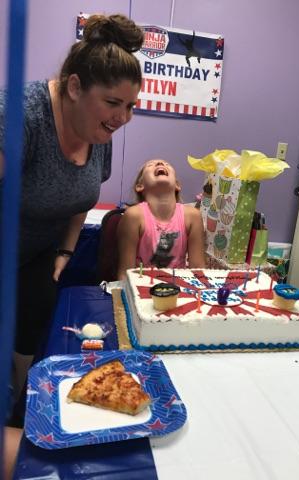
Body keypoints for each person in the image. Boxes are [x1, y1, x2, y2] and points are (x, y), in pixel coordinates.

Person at [0, 13, 144, 409]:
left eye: (131, 105)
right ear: (75, 87)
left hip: (37, 252)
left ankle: (19, 402)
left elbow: (83, 195)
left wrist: (65, 250)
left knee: (31, 328)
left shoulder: (101, 130)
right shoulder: (20, 116)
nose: (123, 117)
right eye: (114, 102)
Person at [117, 159, 206, 279]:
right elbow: (124, 273)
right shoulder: (134, 216)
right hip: (140, 289)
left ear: (177, 185)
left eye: (167, 164)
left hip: (178, 289)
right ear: (139, 186)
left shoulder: (192, 216)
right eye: (150, 165)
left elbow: (198, 269)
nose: (160, 164)